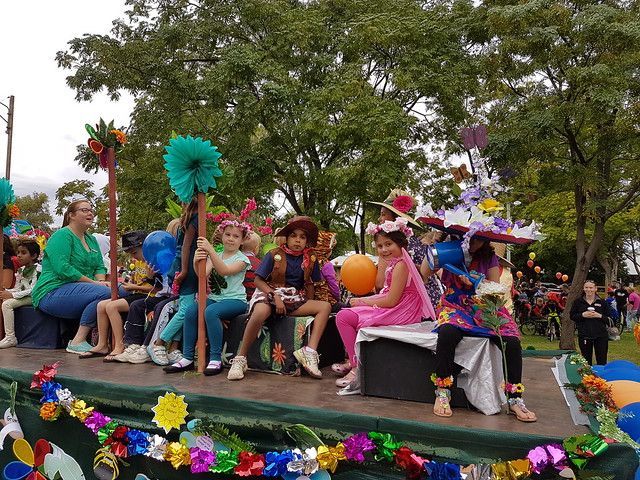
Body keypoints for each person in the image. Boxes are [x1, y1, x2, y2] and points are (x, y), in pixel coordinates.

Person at [421, 237, 537, 422]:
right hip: (454, 306)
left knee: (512, 342)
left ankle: (515, 399)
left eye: (479, 240)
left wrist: (476, 284)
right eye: (470, 238)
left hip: (483, 307)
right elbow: (424, 273)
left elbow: (494, 288)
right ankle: (443, 392)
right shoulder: (448, 250)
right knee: (447, 333)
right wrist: (435, 246)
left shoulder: (489, 257)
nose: (473, 244)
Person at [335, 218, 436, 395]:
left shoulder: (402, 265)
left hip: (402, 311)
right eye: (380, 246)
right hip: (396, 306)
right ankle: (354, 360)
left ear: (401, 243)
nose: (384, 250)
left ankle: (356, 366)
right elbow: (385, 292)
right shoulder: (396, 263)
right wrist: (363, 301)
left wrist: (362, 301)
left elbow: (391, 301)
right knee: (345, 314)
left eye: (388, 244)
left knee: (344, 317)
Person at [227, 216, 331, 381]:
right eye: (294, 236)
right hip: (270, 292)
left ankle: (309, 352)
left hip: (294, 297)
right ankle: (240, 359)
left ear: (307, 241)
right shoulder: (274, 254)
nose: (297, 240)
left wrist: (308, 309)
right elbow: (258, 280)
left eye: (302, 237)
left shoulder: (310, 259)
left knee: (325, 307)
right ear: (287, 238)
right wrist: (274, 297)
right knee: (261, 311)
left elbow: (310, 283)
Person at [32, 199, 119, 354]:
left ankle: (105, 342)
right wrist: (94, 283)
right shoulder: (61, 236)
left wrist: (100, 281)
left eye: (91, 210)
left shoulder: (91, 239)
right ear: (71, 215)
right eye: (84, 210)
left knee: (119, 291)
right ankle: (78, 340)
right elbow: (63, 268)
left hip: (84, 290)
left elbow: (99, 265)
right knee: (109, 292)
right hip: (53, 291)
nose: (90, 213)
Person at [165, 219, 251, 375]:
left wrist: (210, 250)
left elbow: (224, 270)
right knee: (192, 310)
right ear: (222, 235)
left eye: (236, 236)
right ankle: (187, 357)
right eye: (228, 234)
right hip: (217, 299)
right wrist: (196, 260)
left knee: (210, 312)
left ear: (242, 240)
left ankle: (215, 358)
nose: (231, 239)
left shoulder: (242, 259)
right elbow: (202, 274)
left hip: (235, 300)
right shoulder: (216, 254)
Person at [79, 231, 162, 360]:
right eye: (131, 254)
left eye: (134, 253)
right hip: (138, 293)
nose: (133, 257)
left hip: (149, 295)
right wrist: (132, 283)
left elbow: (156, 288)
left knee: (112, 307)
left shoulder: (154, 261)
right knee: (101, 305)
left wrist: (134, 287)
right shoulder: (140, 262)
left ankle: (119, 345)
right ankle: (102, 344)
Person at [148, 200, 198, 365]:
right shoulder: (194, 219)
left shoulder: (192, 218)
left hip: (192, 268)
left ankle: (174, 347)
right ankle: (159, 342)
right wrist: (183, 270)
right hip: (187, 270)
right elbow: (186, 246)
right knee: (185, 310)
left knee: (186, 309)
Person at [0, 240, 41, 348]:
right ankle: (4, 334)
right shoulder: (21, 270)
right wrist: (7, 293)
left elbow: (33, 290)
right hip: (25, 295)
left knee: (7, 304)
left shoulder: (38, 269)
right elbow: (18, 288)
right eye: (18, 252)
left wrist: (12, 295)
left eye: (23, 253)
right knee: (4, 299)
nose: (19, 256)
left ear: (34, 255)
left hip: (35, 297)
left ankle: (10, 337)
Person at [570, 280, 611, 365]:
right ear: (583, 288)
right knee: (586, 361)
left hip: (601, 336)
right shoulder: (578, 302)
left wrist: (598, 315)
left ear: (595, 289)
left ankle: (601, 377)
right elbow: (572, 316)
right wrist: (582, 315)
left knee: (602, 360)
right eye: (586, 287)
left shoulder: (602, 302)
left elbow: (610, 319)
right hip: (584, 335)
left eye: (591, 287)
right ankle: (587, 377)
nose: (589, 290)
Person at [241, 231, 262, 301]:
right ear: (256, 248)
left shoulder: (234, 260)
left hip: (237, 297)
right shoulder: (260, 264)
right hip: (253, 298)